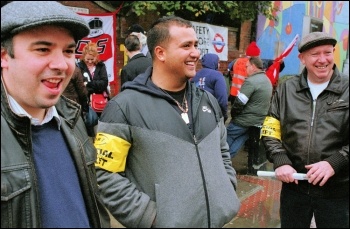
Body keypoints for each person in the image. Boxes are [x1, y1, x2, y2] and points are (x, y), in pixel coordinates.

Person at [95, 15, 240, 228]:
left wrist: (226, 189)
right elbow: (107, 177)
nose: (196, 53)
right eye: (186, 46)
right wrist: (151, 218)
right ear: (160, 53)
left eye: (196, 45)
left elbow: (222, 151)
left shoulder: (206, 100)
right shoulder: (122, 108)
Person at [1, 1, 110, 228]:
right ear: (4, 56)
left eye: (68, 51)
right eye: (43, 49)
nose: (62, 64)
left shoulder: (72, 119)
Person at [261, 31, 349, 228]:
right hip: (294, 187)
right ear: (302, 58)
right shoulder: (286, 89)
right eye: (315, 54)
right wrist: (280, 160)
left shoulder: (347, 89)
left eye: (327, 52)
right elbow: (270, 127)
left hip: (337, 190)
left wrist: (335, 162)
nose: (323, 60)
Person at [226, 57, 273, 159]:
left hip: (243, 121)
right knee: (239, 141)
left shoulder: (251, 82)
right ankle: (226, 162)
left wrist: (234, 116)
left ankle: (219, 163)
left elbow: (239, 103)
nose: (245, 69)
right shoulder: (267, 80)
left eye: (247, 66)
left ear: (253, 67)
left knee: (225, 141)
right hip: (257, 121)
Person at [192, 53, 228, 122]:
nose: (219, 64)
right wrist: (224, 115)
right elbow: (222, 99)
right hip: (211, 114)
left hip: (196, 113)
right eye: (218, 62)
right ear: (214, 62)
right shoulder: (217, 75)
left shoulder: (195, 75)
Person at [78, 42, 109, 115]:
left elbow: (104, 83)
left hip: (100, 103)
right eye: (87, 59)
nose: (90, 61)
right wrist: (96, 86)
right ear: (83, 56)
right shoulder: (79, 67)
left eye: (92, 59)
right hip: (84, 104)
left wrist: (88, 84)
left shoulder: (101, 66)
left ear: (96, 57)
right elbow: (80, 85)